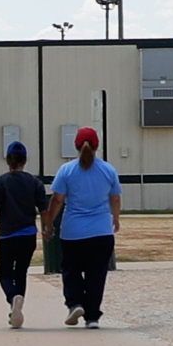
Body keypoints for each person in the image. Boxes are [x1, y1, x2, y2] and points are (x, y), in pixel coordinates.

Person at [45, 125, 122, 328]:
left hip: (73, 231)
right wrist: (116, 218)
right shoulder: (108, 170)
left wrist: (49, 222)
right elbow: (115, 198)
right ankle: (92, 317)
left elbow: (57, 199)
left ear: (76, 146)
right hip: (101, 231)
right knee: (96, 274)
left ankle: (75, 303)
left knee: (71, 269)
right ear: (97, 145)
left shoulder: (67, 170)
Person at [0, 140, 46, 328]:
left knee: (5, 275)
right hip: (28, 234)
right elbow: (44, 209)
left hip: (8, 235)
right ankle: (16, 309)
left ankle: (13, 298)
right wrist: (48, 228)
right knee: (21, 273)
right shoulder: (35, 183)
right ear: (25, 160)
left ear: (7, 161)